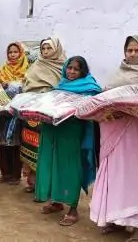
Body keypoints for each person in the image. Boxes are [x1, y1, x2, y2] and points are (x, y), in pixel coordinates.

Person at [90, 35, 138, 242]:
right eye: (128, 50)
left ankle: (137, 228)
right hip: (113, 130)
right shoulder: (120, 72)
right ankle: (114, 219)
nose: (131, 54)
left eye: (136, 50)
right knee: (113, 174)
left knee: (135, 177)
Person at [37, 56, 101, 226]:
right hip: (55, 131)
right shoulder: (61, 86)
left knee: (71, 167)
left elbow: (92, 111)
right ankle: (57, 202)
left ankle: (73, 208)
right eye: (69, 68)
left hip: (73, 133)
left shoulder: (90, 88)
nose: (71, 72)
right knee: (54, 164)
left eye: (76, 69)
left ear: (83, 71)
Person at [21, 37, 66, 195]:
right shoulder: (36, 65)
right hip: (32, 113)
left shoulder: (64, 67)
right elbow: (26, 84)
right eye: (43, 49)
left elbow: (64, 88)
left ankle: (47, 184)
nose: (46, 52)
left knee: (47, 149)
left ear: (56, 49)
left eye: (49, 48)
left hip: (51, 113)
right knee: (31, 145)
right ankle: (33, 182)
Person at [0, 42, 29, 185]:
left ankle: (15, 175)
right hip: (3, 112)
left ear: (20, 53)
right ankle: (5, 174)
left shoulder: (27, 71)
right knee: (2, 143)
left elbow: (29, 89)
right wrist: (0, 86)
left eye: (15, 52)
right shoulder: (2, 69)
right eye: (10, 52)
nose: (13, 55)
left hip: (18, 114)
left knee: (16, 143)